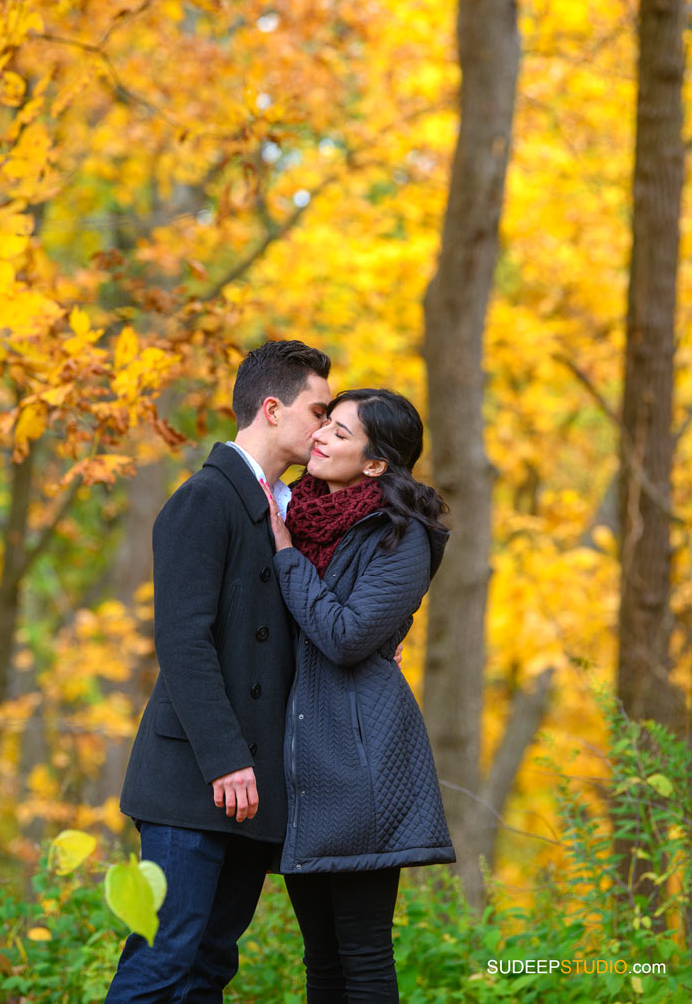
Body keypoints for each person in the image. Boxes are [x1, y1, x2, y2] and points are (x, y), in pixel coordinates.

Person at [105, 340, 332, 1003]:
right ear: (272, 408)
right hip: (196, 780)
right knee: (163, 960)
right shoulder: (205, 498)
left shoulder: (284, 511)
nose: (325, 427)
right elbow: (182, 642)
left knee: (208, 968)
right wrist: (226, 758)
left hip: (254, 793)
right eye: (318, 411)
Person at [262, 388, 455, 1004]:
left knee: (363, 956)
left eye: (341, 434)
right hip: (302, 761)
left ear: (376, 464)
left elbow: (345, 638)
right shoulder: (292, 512)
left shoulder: (403, 537)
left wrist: (287, 558)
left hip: (362, 763)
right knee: (319, 957)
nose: (320, 437)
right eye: (325, 423)